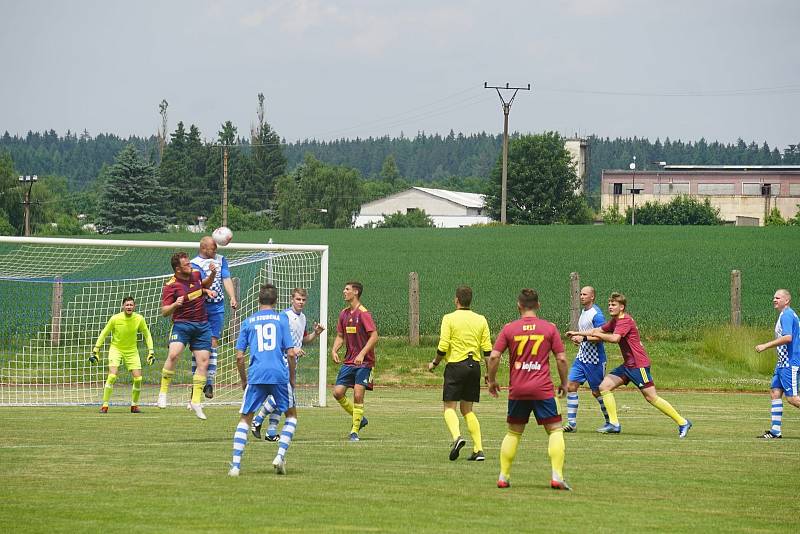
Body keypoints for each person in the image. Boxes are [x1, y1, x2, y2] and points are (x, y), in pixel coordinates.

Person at [566, 292, 692, 437]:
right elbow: (597, 330)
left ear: (622, 307)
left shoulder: (624, 320)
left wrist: (595, 336)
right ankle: (614, 424)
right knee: (604, 387)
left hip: (639, 366)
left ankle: (682, 422)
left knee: (651, 397)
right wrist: (578, 333)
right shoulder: (615, 320)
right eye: (609, 304)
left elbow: (614, 338)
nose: (610, 307)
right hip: (628, 365)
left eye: (613, 305)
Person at [487, 288, 571, 491]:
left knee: (513, 433)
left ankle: (503, 477)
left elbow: (494, 356)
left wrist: (491, 380)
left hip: (518, 389)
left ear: (519, 306)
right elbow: (561, 358)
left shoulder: (509, 329)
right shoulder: (549, 328)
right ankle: (557, 477)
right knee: (555, 430)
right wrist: (564, 382)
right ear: (538, 306)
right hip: (543, 389)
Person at [228, 284, 297, 476]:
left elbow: (239, 357)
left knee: (245, 419)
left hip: (256, 375)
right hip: (278, 374)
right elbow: (291, 353)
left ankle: (235, 466)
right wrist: (292, 378)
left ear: (259, 300)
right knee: (291, 416)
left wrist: (244, 380)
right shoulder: (281, 319)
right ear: (275, 301)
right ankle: (280, 456)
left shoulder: (248, 322)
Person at [251, 287, 325, 441]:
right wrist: (292, 349)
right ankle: (257, 420)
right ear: (292, 299)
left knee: (283, 400)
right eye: (298, 299)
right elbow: (277, 340)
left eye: (303, 300)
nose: (301, 302)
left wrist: (315, 334)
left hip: (292, 362)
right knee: (283, 396)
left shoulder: (303, 318)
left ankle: (271, 433)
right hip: (282, 360)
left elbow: (303, 340)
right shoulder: (284, 316)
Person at [428, 285, 491, 461]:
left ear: (456, 300)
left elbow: (443, 345)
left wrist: (435, 363)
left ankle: (457, 437)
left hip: (456, 366)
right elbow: (487, 350)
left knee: (449, 407)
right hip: (474, 367)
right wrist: (488, 373)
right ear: (470, 300)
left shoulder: (449, 318)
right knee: (467, 410)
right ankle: (479, 449)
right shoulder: (481, 319)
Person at [158, 251, 216, 419]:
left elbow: (204, 284)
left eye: (190, 263)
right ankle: (163, 393)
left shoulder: (195, 274)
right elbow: (164, 312)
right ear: (177, 269)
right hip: (182, 325)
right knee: (174, 354)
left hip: (202, 325)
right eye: (186, 265)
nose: (190, 266)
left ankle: (196, 402)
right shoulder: (171, 285)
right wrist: (175, 304)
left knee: (203, 363)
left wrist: (211, 276)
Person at [191, 236, 238, 399]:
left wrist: (232, 296)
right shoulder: (193, 264)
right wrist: (211, 275)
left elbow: (226, 278)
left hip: (217, 307)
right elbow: (200, 285)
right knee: (197, 345)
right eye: (213, 248)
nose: (216, 250)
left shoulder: (221, 260)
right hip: (200, 307)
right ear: (204, 248)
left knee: (213, 342)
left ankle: (209, 383)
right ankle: (196, 382)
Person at [331, 281, 378, 442]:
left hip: (365, 363)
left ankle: (354, 431)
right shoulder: (344, 314)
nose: (344, 291)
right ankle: (361, 418)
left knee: (358, 395)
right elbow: (340, 336)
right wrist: (334, 350)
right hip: (349, 362)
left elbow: (374, 336)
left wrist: (362, 354)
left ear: (356, 292)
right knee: (337, 393)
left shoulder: (364, 313)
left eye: (347, 289)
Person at [89, 296, 154, 413]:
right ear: (123, 306)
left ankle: (134, 406)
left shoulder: (139, 319)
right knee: (112, 376)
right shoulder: (115, 318)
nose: (129, 307)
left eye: (131, 305)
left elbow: (147, 334)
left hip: (132, 351)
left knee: (138, 378)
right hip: (116, 349)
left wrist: (151, 351)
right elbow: (104, 333)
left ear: (134, 306)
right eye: (127, 305)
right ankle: (104, 405)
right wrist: (96, 350)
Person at [563, 286, 610, 432]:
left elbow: (601, 338)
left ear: (592, 297)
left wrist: (582, 338)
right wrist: (579, 339)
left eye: (585, 294)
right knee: (571, 386)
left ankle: (611, 421)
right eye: (581, 294)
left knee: (597, 392)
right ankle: (572, 423)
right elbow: (586, 335)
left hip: (595, 360)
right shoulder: (584, 312)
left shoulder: (597, 315)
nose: (581, 296)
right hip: (581, 358)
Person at [755, 289, 800, 439]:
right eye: (774, 297)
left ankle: (775, 431)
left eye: (778, 297)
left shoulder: (787, 315)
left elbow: (788, 338)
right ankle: (775, 431)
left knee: (793, 399)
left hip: (790, 363)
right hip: (782, 363)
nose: (774, 300)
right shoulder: (785, 314)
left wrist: (765, 345)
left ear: (786, 300)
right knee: (775, 392)